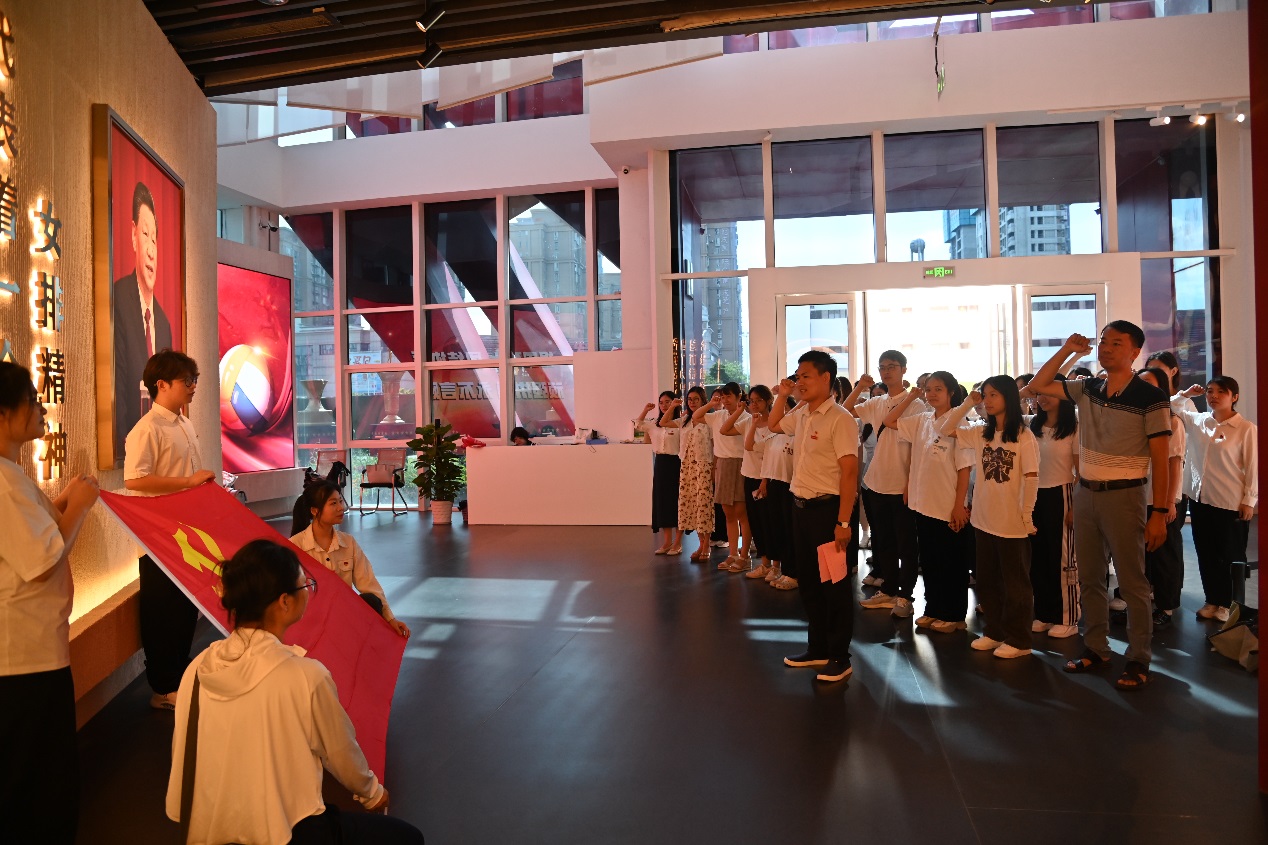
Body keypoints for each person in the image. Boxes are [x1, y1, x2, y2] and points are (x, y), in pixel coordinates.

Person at [166, 539, 424, 845]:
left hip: (208, 830)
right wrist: (372, 793)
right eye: (305, 586)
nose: (308, 593)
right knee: (408, 838)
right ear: (285, 602)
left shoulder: (196, 671)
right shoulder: (305, 676)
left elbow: (183, 757)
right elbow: (341, 753)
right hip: (285, 831)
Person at [1028, 324, 1172, 690]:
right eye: (1104, 341)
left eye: (1116, 343)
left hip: (1126, 495)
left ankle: (1138, 657)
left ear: (1135, 352)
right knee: (1089, 577)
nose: (1106, 348)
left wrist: (1160, 512)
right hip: (1085, 492)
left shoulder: (1150, 396)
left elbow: (1162, 458)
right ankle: (1096, 647)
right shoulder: (1088, 388)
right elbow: (1039, 384)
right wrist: (1067, 350)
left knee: (1132, 580)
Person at [0, 362, 100, 845]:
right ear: (3, 414)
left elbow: (33, 538)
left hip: (32, 654)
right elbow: (42, 559)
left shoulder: (11, 475)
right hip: (25, 660)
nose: (41, 408)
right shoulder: (3, 481)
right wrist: (78, 506)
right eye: (31, 400)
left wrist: (61, 503)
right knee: (39, 786)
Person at [124, 350, 218, 710]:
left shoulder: (184, 424)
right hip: (158, 536)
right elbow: (134, 481)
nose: (193, 387)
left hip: (187, 532)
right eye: (187, 381)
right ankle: (163, 687)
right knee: (162, 612)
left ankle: (179, 677)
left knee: (184, 610)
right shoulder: (146, 429)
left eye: (195, 380)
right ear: (161, 385)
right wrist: (187, 482)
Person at [769, 351, 860, 683]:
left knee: (834, 587)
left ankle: (839, 657)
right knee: (808, 584)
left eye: (805, 375)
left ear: (825, 378)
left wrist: (844, 523)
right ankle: (818, 648)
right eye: (798, 376)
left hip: (828, 513)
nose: (799, 381)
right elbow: (773, 425)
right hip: (801, 510)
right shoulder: (803, 414)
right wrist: (782, 395)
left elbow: (849, 472)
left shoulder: (840, 418)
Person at [939, 377, 1040, 658]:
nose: (988, 400)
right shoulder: (981, 432)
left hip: (1012, 522)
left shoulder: (1023, 435)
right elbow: (943, 428)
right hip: (983, 519)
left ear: (1008, 396)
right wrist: (966, 403)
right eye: (985, 395)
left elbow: (1032, 478)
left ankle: (1020, 640)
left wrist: (1026, 515)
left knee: (1016, 585)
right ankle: (995, 632)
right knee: (987, 581)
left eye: (994, 394)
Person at [883, 372, 973, 633]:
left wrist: (959, 505)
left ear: (951, 393)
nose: (931, 394)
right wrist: (910, 396)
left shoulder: (959, 422)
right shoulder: (922, 419)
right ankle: (933, 609)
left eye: (938, 389)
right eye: (928, 389)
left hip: (947, 504)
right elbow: (889, 421)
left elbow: (964, 469)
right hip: (923, 502)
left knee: (951, 562)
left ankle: (954, 615)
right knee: (931, 561)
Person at [846, 350, 926, 618]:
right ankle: (889, 589)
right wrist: (860, 386)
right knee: (884, 541)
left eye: (892, 366)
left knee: (907, 544)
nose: (887, 371)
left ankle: (905, 597)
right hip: (876, 481)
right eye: (882, 367)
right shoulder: (876, 402)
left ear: (904, 370)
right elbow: (844, 410)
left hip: (902, 484)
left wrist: (910, 483)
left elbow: (917, 448)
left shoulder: (917, 405)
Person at [1173, 377, 1257, 623]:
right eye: (1210, 391)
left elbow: (1253, 466)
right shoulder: (1199, 420)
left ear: (1234, 397)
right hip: (1201, 500)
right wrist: (1186, 393)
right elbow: (1172, 406)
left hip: (1230, 502)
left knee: (1230, 555)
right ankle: (1212, 600)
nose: (1214, 396)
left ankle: (1229, 604)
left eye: (1222, 392)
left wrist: (1249, 500)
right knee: (1206, 553)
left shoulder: (1245, 428)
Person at [291, 480, 411, 637]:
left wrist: (390, 619)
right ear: (314, 510)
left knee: (372, 600)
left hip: (343, 615)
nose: (341, 508)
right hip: (312, 620)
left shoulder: (348, 543)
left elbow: (369, 583)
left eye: (340, 501)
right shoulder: (295, 546)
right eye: (333, 503)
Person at [113, 181, 173, 464]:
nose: (151, 250)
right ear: (133, 236)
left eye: (155, 239)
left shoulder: (164, 323)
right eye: (145, 235)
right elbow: (119, 392)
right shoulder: (119, 300)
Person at [1027, 371, 1080, 639]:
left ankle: (1067, 617)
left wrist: (1075, 507)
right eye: (1039, 393)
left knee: (1062, 559)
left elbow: (1080, 471)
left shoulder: (1075, 427)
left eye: (1049, 392)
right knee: (1037, 557)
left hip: (1062, 493)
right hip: (1033, 495)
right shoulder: (1031, 425)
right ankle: (1045, 613)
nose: (1042, 398)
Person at [1137, 367, 1186, 629]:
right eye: (1140, 382)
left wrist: (1168, 503)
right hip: (1136, 497)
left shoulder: (1173, 421)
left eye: (1149, 382)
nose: (1143, 387)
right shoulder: (1136, 417)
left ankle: (1166, 607)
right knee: (1142, 557)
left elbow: (1175, 463)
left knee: (1165, 555)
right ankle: (1142, 604)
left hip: (1160, 499)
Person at [693, 382, 752, 570]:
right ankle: (733, 554)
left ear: (739, 397)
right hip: (723, 464)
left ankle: (745, 555)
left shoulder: (747, 417)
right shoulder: (718, 415)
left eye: (729, 396)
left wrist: (738, 410)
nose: (725, 400)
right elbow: (696, 416)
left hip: (741, 464)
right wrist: (711, 404)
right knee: (728, 513)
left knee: (742, 513)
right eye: (723, 396)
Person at [723, 385, 773, 575]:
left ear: (768, 401)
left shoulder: (775, 423)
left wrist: (765, 480)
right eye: (751, 401)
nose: (754, 404)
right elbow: (724, 429)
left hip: (767, 478)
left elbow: (770, 455)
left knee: (769, 522)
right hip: (749, 476)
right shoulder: (748, 421)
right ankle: (764, 563)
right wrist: (739, 411)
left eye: (759, 400)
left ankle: (774, 565)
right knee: (755, 521)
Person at [667, 387, 714, 562]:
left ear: (703, 400)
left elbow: (715, 445)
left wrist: (714, 469)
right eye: (690, 399)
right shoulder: (684, 421)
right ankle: (700, 543)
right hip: (686, 466)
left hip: (704, 466)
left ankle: (706, 544)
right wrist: (673, 406)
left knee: (704, 505)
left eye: (696, 399)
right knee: (690, 505)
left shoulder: (709, 420)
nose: (692, 402)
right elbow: (664, 422)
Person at [756, 392, 797, 588]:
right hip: (773, 483)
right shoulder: (772, 433)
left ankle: (792, 572)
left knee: (790, 529)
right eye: (781, 410)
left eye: (787, 409)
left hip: (790, 485)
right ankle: (779, 568)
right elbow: (766, 459)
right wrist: (764, 481)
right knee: (776, 527)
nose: (784, 413)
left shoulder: (796, 433)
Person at [637, 393, 683, 555]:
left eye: (667, 402)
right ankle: (667, 542)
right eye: (661, 402)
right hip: (661, 464)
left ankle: (678, 542)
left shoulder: (680, 423)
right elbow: (638, 425)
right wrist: (645, 410)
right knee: (662, 502)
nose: (664, 405)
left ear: (674, 403)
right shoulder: (654, 424)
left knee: (678, 502)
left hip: (677, 463)